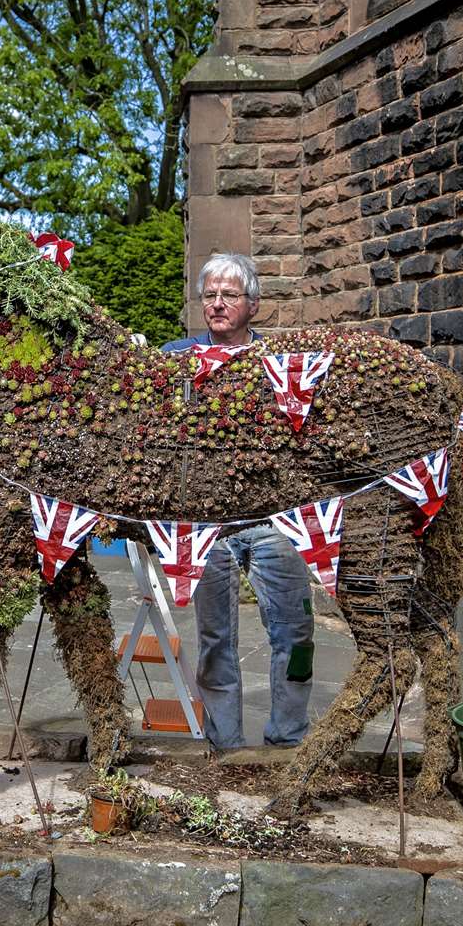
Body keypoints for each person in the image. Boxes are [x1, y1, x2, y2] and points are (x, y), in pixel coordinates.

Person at [162, 253, 316, 751]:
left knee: (296, 637)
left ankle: (288, 737)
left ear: (254, 304)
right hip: (208, 526)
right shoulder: (178, 359)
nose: (217, 304)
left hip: (276, 522)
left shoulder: (285, 364)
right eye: (209, 295)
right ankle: (226, 745)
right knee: (214, 643)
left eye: (229, 295)